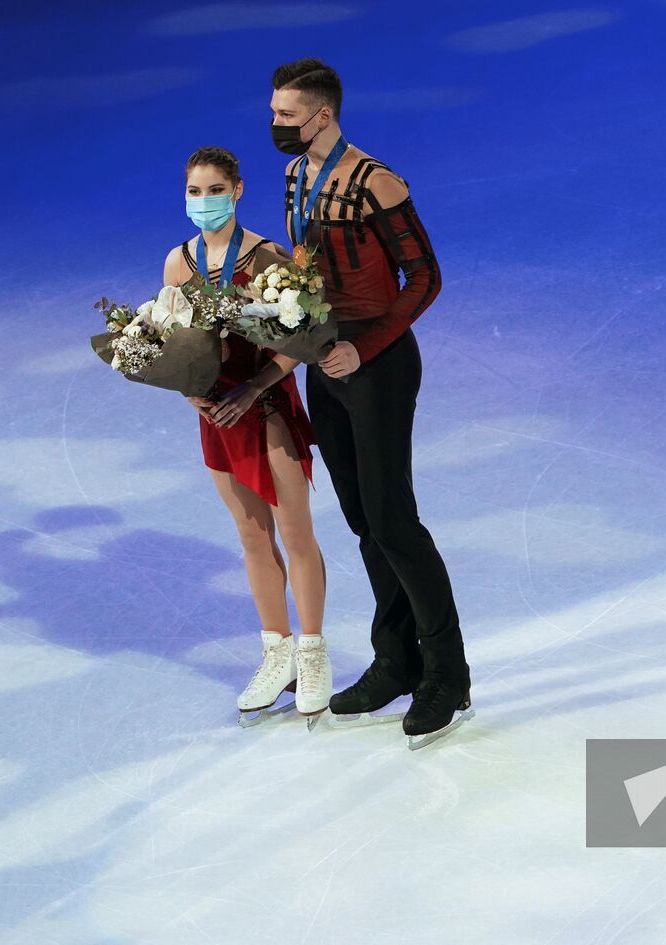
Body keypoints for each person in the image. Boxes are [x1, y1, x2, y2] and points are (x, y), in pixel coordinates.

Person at [268, 58, 471, 747]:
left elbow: (426, 275)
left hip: (377, 364)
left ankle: (449, 672)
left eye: (286, 115)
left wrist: (367, 345)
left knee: (394, 518)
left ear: (322, 115)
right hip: (325, 361)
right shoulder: (297, 176)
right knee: (361, 519)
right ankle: (397, 659)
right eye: (274, 113)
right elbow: (304, 266)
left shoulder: (375, 181)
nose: (276, 125)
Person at [163, 146, 331, 727]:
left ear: (237, 190)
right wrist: (194, 395)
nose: (203, 202)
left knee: (295, 533)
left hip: (264, 407)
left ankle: (312, 655)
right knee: (252, 538)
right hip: (215, 415)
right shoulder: (178, 263)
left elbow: (298, 341)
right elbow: (170, 342)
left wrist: (252, 389)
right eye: (194, 192)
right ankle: (276, 652)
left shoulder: (266, 257)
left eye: (214, 190)